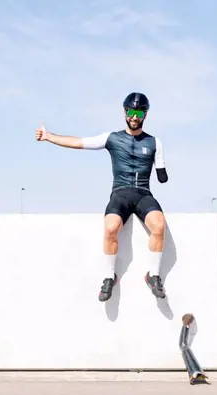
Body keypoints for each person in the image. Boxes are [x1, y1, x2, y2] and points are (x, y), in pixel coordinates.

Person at [35, 92, 169, 302]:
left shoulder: (154, 142)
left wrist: (161, 168)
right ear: (125, 112)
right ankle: (109, 277)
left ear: (145, 115)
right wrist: (48, 136)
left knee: (159, 226)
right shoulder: (112, 138)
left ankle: (153, 275)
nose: (134, 117)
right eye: (131, 112)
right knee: (110, 228)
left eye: (139, 113)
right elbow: (79, 143)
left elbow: (162, 176)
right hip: (121, 192)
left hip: (144, 193)